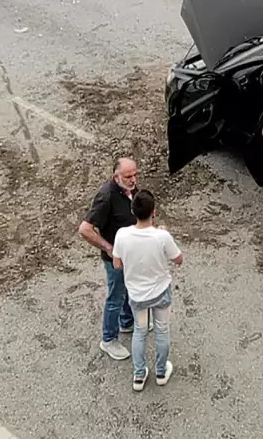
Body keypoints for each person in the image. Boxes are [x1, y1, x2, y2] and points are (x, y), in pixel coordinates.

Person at [112, 190, 183, 392]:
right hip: (160, 291)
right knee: (162, 330)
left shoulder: (122, 235)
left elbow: (117, 264)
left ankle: (139, 374)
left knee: (140, 332)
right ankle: (161, 371)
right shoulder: (162, 236)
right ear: (154, 212)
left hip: (136, 294)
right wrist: (164, 235)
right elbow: (179, 259)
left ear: (132, 211)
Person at [78, 158, 139, 361]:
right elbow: (85, 229)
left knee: (129, 288)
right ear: (116, 176)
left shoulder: (131, 190)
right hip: (116, 260)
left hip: (131, 254)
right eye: (128, 176)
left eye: (135, 175)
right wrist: (109, 248)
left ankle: (127, 321)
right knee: (116, 297)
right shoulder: (106, 197)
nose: (133, 180)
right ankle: (108, 340)